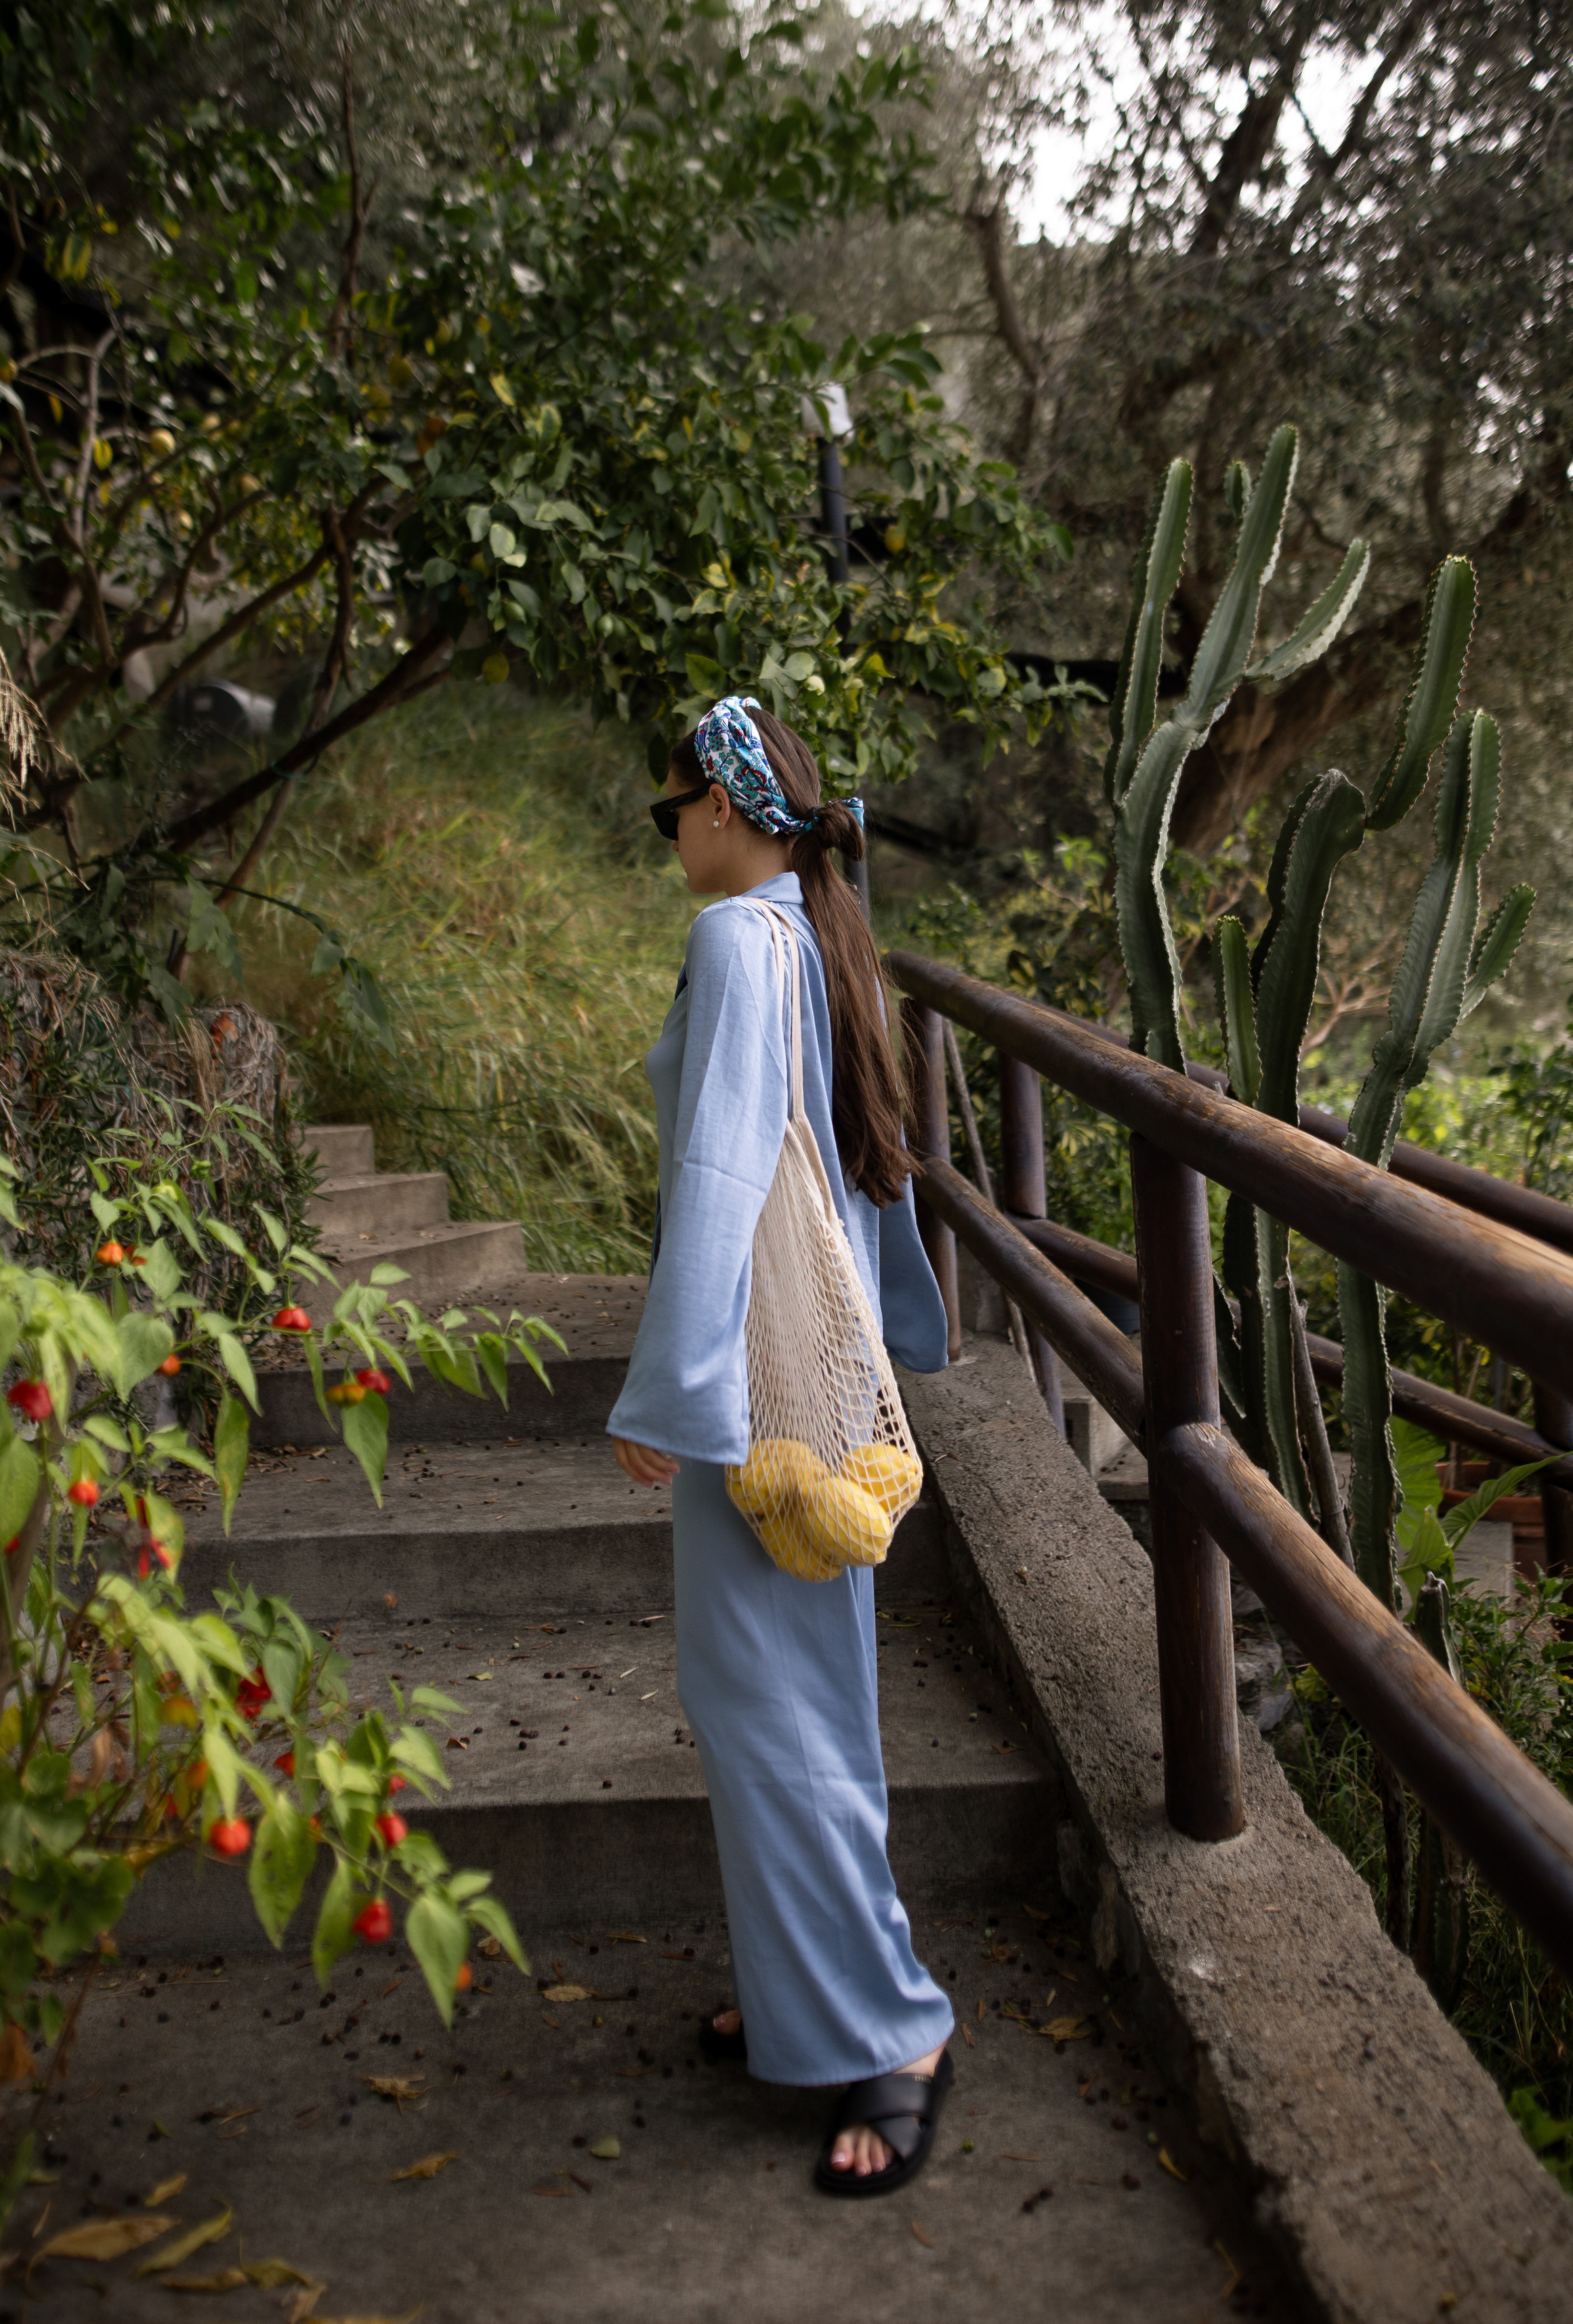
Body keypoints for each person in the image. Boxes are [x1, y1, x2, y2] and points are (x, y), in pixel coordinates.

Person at [608, 693, 956, 2197]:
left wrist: (672, 1394)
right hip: (804, 1379)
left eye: (672, 803)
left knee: (766, 1705)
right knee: (794, 1695)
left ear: (732, 809)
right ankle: (808, 1986)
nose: (666, 829)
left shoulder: (736, 937)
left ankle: (887, 2029)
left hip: (751, 1392)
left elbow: (728, 1158)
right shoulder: (808, 933)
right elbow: (841, 1163)